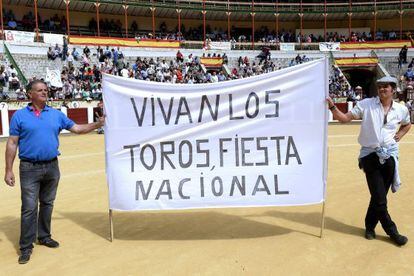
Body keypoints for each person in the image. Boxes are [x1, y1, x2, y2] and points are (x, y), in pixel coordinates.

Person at [4, 80, 105, 264]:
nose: (44, 92)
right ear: (30, 94)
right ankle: (26, 247)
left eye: (46, 90)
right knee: (28, 208)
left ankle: (44, 236)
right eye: (40, 90)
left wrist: (97, 125)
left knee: (48, 203)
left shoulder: (56, 114)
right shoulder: (19, 116)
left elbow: (77, 129)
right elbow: (12, 143)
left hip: (52, 165)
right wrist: (8, 169)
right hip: (29, 167)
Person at [326, 76, 411, 246]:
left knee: (378, 197)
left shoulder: (401, 109)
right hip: (369, 156)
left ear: (393, 89)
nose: (382, 89)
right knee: (380, 199)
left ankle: (369, 227)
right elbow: (344, 118)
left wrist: (399, 135)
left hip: (390, 155)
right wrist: (332, 105)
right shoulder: (366, 104)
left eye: (385, 87)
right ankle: (392, 232)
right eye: (379, 86)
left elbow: (407, 124)